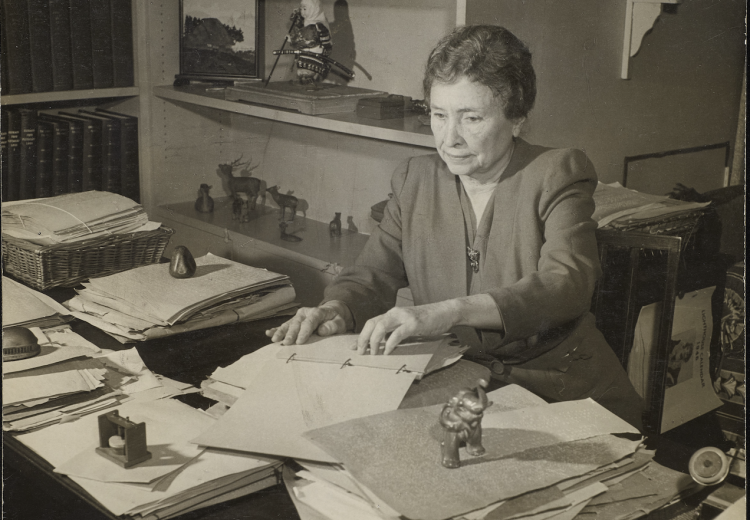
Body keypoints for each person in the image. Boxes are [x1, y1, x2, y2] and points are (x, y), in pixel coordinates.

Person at [267, 25, 645, 430]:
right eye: (439, 115)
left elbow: (567, 283)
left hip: (560, 390)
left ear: (517, 118)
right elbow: (372, 275)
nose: (450, 139)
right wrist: (336, 309)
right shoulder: (414, 180)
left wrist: (446, 313)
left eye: (471, 118)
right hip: (461, 383)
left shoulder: (557, 172)